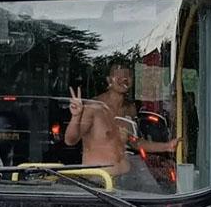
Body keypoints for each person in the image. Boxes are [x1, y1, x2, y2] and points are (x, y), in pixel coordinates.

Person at [65, 62, 175, 191]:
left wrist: (167, 146)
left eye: (128, 75)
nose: (124, 79)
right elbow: (70, 140)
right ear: (109, 80)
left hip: (128, 178)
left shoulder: (130, 109)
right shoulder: (93, 107)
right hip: (99, 180)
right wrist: (76, 116)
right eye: (118, 75)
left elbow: (135, 142)